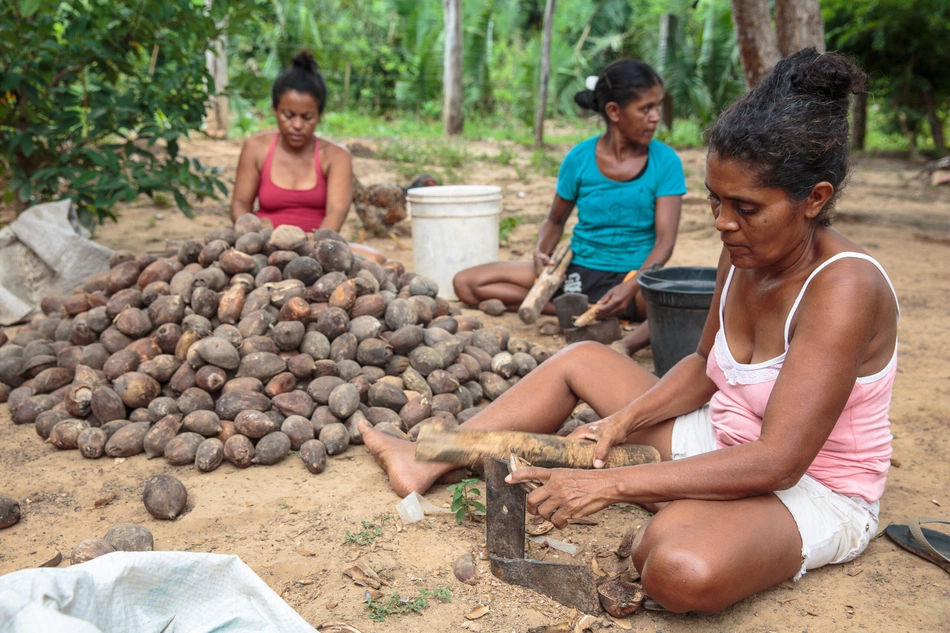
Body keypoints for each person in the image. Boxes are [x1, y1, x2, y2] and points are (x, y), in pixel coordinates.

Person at [359, 48, 899, 614]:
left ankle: (672, 501)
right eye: (716, 201)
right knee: (581, 362)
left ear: (815, 199)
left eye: (745, 207)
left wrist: (607, 486)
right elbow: (701, 365)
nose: (723, 223)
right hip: (724, 436)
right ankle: (429, 458)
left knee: (675, 568)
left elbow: (779, 462)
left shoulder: (845, 289)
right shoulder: (741, 248)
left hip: (808, 485)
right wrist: (623, 422)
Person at [453, 59, 686, 355]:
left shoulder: (665, 162)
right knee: (466, 283)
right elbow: (554, 220)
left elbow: (665, 241)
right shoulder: (579, 158)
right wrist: (541, 253)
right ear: (614, 112)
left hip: (632, 277)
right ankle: (576, 309)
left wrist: (630, 287)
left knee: (676, 304)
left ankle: (605, 313)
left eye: (657, 107)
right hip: (575, 271)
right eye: (646, 109)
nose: (655, 117)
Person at [230, 51, 384, 263]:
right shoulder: (256, 148)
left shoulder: (336, 156)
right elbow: (239, 204)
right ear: (275, 109)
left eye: (307, 117)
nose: (297, 125)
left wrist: (312, 243)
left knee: (377, 259)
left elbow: (336, 212)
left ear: (319, 115)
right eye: (288, 115)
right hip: (264, 246)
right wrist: (254, 232)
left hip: (315, 248)